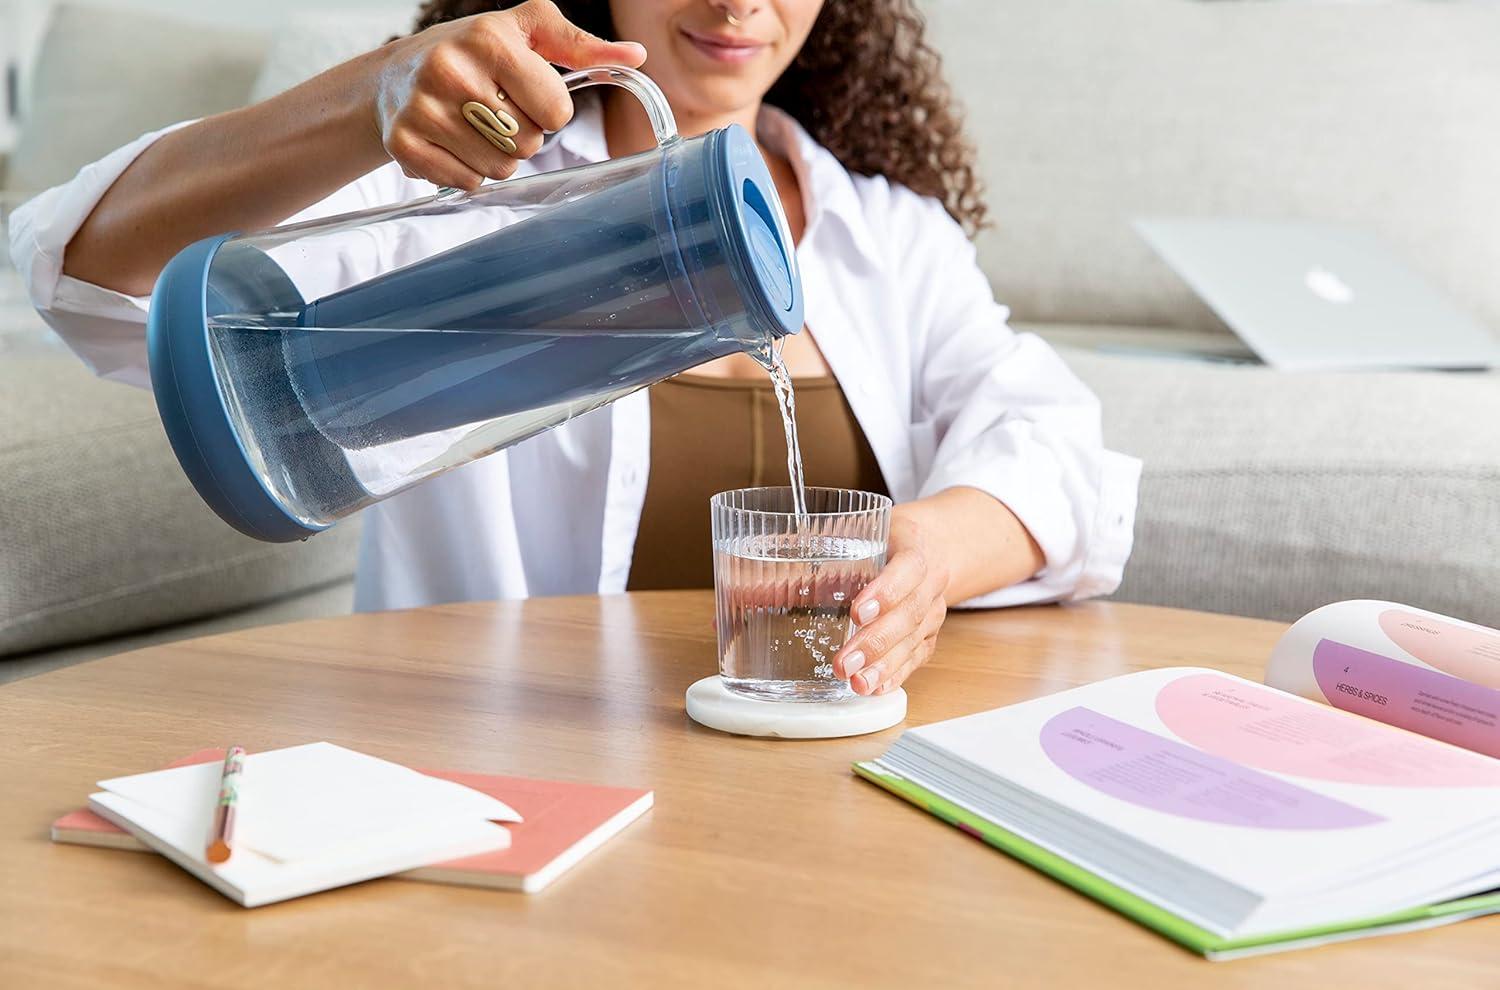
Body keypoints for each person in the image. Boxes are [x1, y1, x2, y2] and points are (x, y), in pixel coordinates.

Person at [10, 0, 1140, 697]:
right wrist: (370, 96)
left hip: (814, 782)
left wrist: (933, 552)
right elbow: (85, 277)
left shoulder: (887, 233)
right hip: (517, 780)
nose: (738, 1)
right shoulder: (462, 191)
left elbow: (1058, 449)